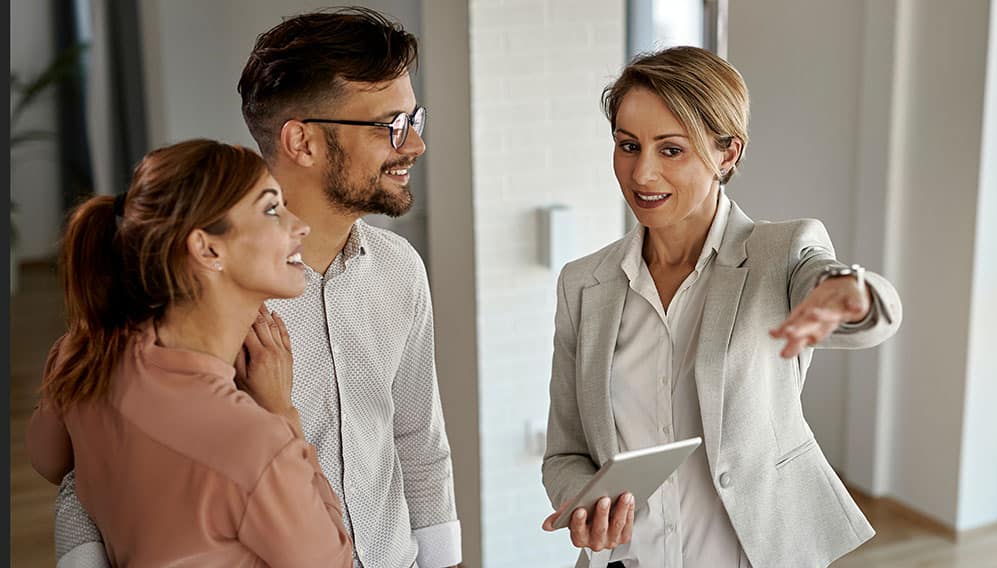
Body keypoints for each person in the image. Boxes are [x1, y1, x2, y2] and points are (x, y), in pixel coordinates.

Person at [50, 8, 461, 568]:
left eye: (417, 119)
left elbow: (417, 439)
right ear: (302, 141)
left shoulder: (400, 270)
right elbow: (88, 468)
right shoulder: (200, 296)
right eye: (391, 125)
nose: (414, 145)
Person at [540, 46, 903, 568]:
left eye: (671, 150)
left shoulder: (780, 254)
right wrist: (585, 502)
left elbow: (851, 296)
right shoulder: (584, 284)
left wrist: (850, 292)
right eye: (628, 145)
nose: (641, 174)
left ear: (727, 154)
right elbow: (565, 454)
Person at [24, 139, 351, 566]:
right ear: (207, 249)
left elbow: (49, 461)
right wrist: (282, 415)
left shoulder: (85, 352)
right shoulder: (256, 442)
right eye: (272, 209)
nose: (299, 225)